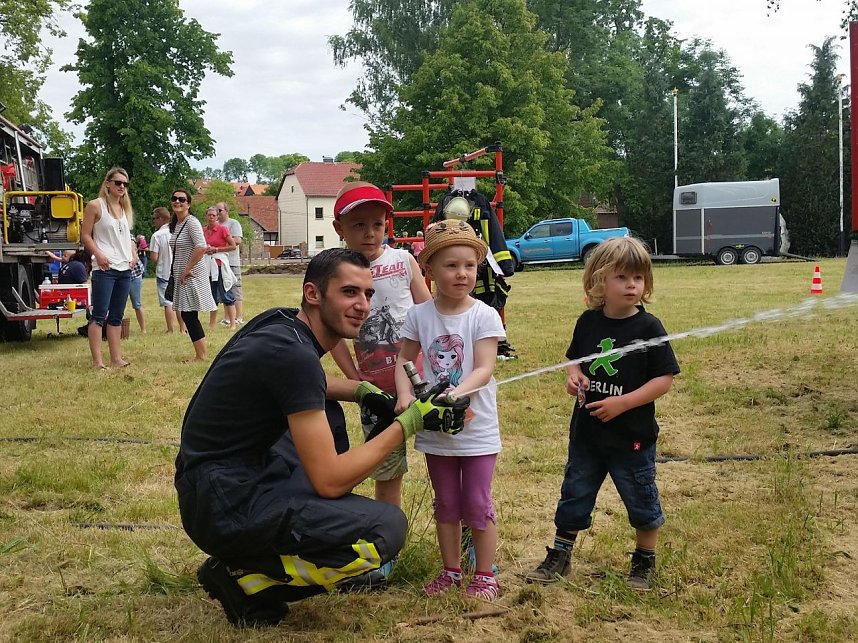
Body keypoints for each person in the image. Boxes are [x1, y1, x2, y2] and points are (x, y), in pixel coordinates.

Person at [175, 248, 470, 627]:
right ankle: (246, 579)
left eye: (368, 294)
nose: (363, 305)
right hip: (222, 505)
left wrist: (362, 391)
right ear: (313, 293)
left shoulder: (282, 324)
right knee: (386, 529)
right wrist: (409, 423)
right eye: (349, 292)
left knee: (326, 412)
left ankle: (257, 554)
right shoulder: (294, 356)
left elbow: (306, 383)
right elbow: (330, 481)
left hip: (215, 481)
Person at [524, 236, 680, 591]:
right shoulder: (588, 322)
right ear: (599, 281)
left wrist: (623, 403)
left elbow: (664, 379)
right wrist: (574, 377)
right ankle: (560, 555)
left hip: (632, 438)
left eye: (638, 278)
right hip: (587, 436)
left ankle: (644, 561)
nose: (632, 285)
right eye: (622, 277)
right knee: (574, 496)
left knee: (642, 501)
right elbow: (574, 360)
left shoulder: (649, 328)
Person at [394, 220, 506, 601]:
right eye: (451, 265)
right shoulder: (419, 316)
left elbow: (484, 368)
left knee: (477, 502)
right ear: (429, 269)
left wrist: (455, 393)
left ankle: (486, 575)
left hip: (477, 430)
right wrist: (404, 395)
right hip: (436, 430)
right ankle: (451, 572)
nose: (462, 274)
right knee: (446, 502)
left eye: (469, 266)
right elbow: (405, 360)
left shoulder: (484, 315)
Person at [329, 181, 432, 516]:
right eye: (359, 225)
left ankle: (462, 531)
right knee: (387, 470)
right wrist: (355, 378)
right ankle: (389, 536)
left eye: (377, 224)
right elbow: (332, 335)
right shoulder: (335, 273)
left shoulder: (403, 261)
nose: (370, 233)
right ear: (339, 229)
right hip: (378, 392)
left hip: (422, 382)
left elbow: (429, 313)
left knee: (446, 459)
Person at [81, 167, 136, 369]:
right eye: (118, 183)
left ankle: (116, 358)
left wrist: (133, 254)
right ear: (108, 184)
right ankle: (98, 361)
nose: (122, 187)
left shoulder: (124, 208)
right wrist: (98, 254)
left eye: (125, 184)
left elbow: (128, 237)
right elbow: (85, 235)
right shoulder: (95, 206)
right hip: (104, 268)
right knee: (98, 315)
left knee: (116, 316)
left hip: (124, 268)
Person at [168, 189, 216, 361]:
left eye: (182, 199)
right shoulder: (178, 223)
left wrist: (187, 268)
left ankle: (201, 355)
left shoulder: (191, 222)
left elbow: (201, 246)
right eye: (174, 198)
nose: (177, 202)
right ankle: (200, 354)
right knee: (188, 314)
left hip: (191, 274)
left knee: (188, 314)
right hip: (183, 274)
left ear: (188, 204)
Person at [148, 207, 184, 334]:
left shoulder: (157, 235)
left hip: (163, 271)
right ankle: (183, 328)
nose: (153, 221)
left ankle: (170, 329)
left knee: (167, 302)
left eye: (154, 218)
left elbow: (154, 257)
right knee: (178, 301)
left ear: (160, 218)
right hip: (179, 270)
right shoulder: (177, 231)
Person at [203, 206, 237, 330]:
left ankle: (232, 323)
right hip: (208, 265)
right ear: (206, 216)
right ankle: (212, 324)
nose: (211, 217)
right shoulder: (203, 230)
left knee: (225, 293)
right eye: (209, 215)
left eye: (213, 215)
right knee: (212, 295)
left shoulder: (223, 229)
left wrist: (217, 249)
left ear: (217, 217)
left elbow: (233, 246)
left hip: (220, 264)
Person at [215, 202, 245, 324]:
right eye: (216, 210)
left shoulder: (233, 223)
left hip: (232, 262)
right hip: (220, 262)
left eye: (219, 210)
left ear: (226, 211)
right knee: (224, 290)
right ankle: (228, 318)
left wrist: (223, 241)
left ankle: (239, 317)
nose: (217, 213)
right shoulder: (216, 225)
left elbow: (237, 240)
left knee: (235, 288)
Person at [128, 238, 147, 333]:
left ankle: (143, 329)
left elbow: (135, 258)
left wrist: (130, 266)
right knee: (118, 305)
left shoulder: (130, 240)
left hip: (134, 274)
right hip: (121, 274)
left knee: (137, 304)